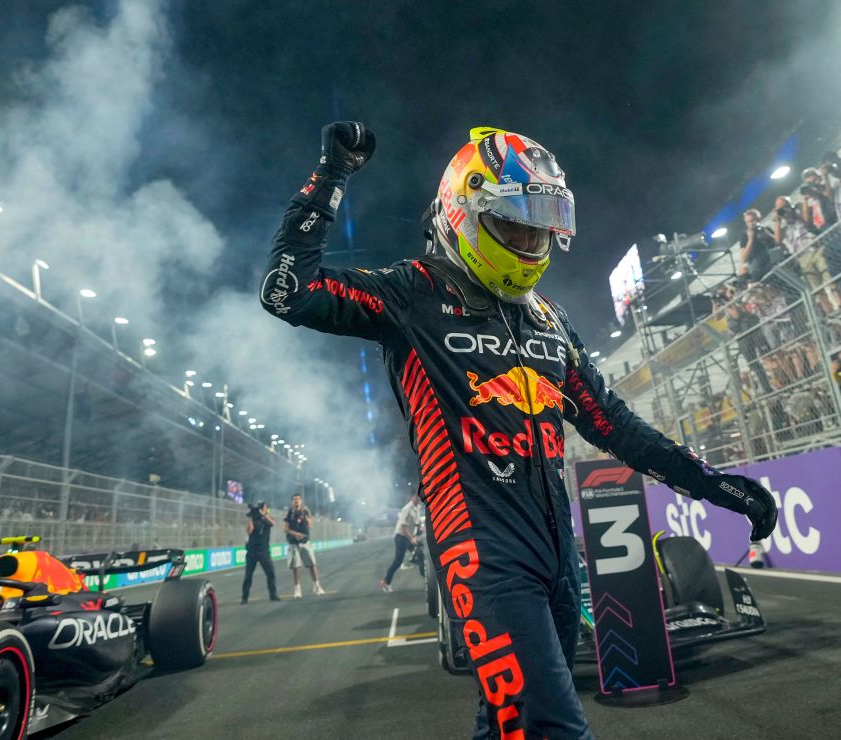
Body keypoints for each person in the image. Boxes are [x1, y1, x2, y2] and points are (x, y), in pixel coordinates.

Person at [261, 122, 778, 738]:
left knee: (506, 723)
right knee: (554, 727)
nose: (531, 241)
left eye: (541, 226)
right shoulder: (413, 292)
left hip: (558, 556)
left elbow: (613, 424)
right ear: (463, 213)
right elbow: (287, 292)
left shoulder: (549, 320)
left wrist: (712, 484)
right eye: (515, 224)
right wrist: (332, 177)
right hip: (483, 553)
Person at [379, 492, 422, 592]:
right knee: (398, 561)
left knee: (419, 553)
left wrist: (418, 531)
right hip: (401, 537)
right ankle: (385, 582)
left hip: (408, 536)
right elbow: (403, 528)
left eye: (419, 497)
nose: (418, 499)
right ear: (412, 497)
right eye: (416, 497)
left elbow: (416, 523)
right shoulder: (407, 509)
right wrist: (412, 538)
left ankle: (425, 574)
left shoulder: (417, 508)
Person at [284, 493, 325, 597]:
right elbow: (285, 528)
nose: (296, 501)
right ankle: (297, 589)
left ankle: (317, 586)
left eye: (298, 499)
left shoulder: (305, 511)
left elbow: (310, 524)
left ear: (301, 501)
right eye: (294, 499)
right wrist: (295, 534)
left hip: (305, 542)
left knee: (312, 564)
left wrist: (306, 516)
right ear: (292, 502)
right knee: (296, 566)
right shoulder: (290, 513)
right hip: (293, 543)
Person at [241, 501, 279, 604]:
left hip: (264, 551)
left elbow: (272, 523)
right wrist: (250, 517)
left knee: (270, 573)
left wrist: (263, 515)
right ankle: (244, 597)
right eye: (262, 507)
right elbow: (249, 530)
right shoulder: (253, 519)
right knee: (248, 575)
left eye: (264, 507)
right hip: (252, 551)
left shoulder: (267, 519)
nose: (263, 509)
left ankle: (273, 595)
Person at [739, 208, 777, 282]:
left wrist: (767, 236)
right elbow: (743, 258)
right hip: (759, 271)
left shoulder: (766, 229)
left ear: (759, 219)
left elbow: (777, 243)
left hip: (773, 264)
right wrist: (750, 240)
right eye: (748, 222)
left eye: (753, 220)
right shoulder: (745, 236)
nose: (751, 224)